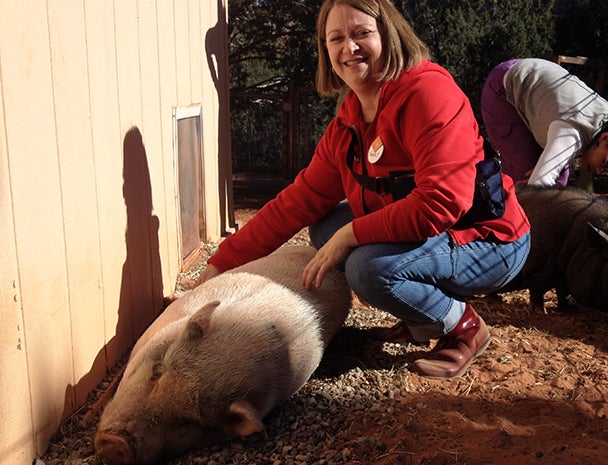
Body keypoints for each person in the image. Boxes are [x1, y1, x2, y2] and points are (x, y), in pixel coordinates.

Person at [195, 0, 531, 379]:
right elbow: (299, 200)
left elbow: (441, 203)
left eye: (361, 34)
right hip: (436, 235)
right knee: (324, 228)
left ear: (389, 35)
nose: (348, 48)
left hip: (488, 238)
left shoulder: (429, 93)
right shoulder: (350, 118)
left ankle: (465, 326)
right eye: (335, 38)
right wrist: (221, 263)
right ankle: (422, 319)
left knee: (369, 268)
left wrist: (352, 234)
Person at [481, 58, 608, 187]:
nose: (599, 171)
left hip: (539, 83)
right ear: (605, 139)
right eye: (606, 164)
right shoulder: (570, 133)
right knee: (522, 176)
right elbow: (538, 184)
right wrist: (537, 179)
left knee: (560, 182)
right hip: (504, 88)